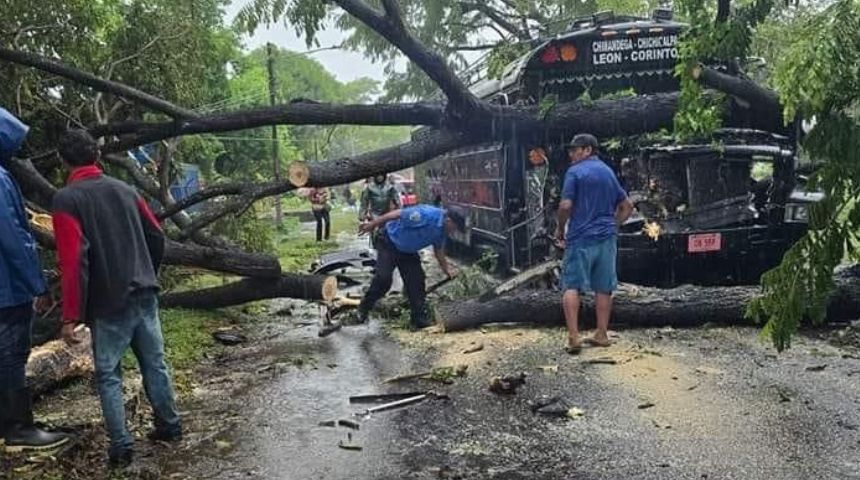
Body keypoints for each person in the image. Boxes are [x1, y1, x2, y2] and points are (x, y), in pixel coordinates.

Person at [52, 129, 181, 468]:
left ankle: (121, 448)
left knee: (109, 375)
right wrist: (147, 271)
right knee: (155, 363)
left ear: (63, 160)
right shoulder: (127, 190)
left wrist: (70, 316)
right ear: (96, 156)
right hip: (144, 292)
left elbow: (72, 259)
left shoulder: (66, 199)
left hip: (108, 303)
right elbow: (156, 233)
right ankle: (170, 427)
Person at [0, 107, 70, 453]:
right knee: (12, 353)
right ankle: (18, 427)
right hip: (6, 287)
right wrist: (37, 283)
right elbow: (14, 237)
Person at [554, 134, 633, 354]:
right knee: (603, 287)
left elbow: (566, 205)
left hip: (581, 238)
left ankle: (573, 337)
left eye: (574, 150)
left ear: (587, 150)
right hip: (606, 239)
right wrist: (613, 225)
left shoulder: (575, 172)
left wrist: (560, 227)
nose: (571, 154)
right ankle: (602, 333)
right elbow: (627, 206)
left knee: (571, 285)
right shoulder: (608, 172)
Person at [357, 205, 465, 329]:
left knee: (417, 282)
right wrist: (373, 224)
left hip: (408, 252)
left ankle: (418, 318)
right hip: (389, 243)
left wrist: (447, 270)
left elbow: (438, 251)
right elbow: (396, 214)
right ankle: (363, 308)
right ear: (449, 220)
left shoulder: (442, 231)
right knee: (383, 280)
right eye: (455, 228)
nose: (454, 232)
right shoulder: (426, 215)